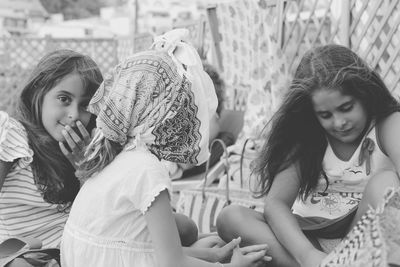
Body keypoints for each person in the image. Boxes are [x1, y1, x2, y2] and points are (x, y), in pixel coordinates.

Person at [60, 30, 270, 267]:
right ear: (168, 118)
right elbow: (172, 263)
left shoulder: (118, 157)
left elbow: (135, 248)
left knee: (206, 243)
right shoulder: (147, 169)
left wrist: (211, 258)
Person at [216, 44, 400, 267]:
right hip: (309, 243)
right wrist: (308, 256)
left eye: (347, 107)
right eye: (325, 115)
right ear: (312, 113)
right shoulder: (307, 136)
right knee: (231, 217)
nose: (339, 122)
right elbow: (276, 205)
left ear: (365, 94)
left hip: (364, 240)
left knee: (386, 184)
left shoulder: (389, 125)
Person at [0, 49, 103, 248]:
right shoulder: (12, 137)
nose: (73, 114)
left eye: (85, 105)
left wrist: (84, 169)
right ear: (38, 92)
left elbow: (91, 219)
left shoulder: (88, 148)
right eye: (64, 99)